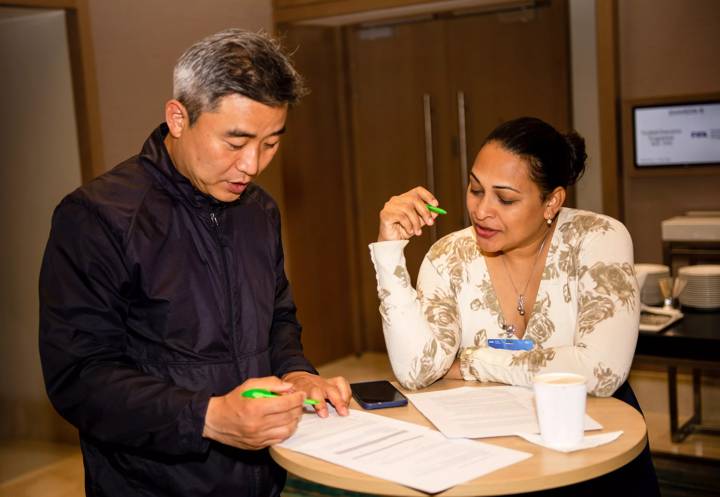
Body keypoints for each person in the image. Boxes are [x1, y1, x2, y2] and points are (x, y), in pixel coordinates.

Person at [39, 28, 351, 497]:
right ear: (178, 117)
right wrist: (207, 417)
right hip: (150, 483)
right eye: (236, 141)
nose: (252, 165)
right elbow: (80, 377)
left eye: (271, 143)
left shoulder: (259, 210)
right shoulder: (97, 217)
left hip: (261, 477)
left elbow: (278, 317)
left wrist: (296, 372)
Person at [370, 116, 659, 494]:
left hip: (588, 446)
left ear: (552, 201)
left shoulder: (598, 239)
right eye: (475, 190)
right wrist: (389, 252)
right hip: (494, 450)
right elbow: (416, 370)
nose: (482, 211)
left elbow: (600, 371)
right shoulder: (450, 255)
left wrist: (470, 362)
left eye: (505, 199)